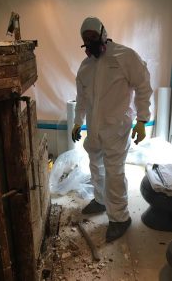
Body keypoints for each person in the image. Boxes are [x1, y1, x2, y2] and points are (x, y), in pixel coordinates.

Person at [72, 17, 152, 242]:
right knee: (95, 164)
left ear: (103, 34)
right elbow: (81, 98)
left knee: (114, 172)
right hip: (95, 127)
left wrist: (142, 120)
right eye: (86, 40)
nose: (90, 43)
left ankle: (120, 218)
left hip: (117, 127)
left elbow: (143, 86)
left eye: (93, 37)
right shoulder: (86, 66)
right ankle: (100, 199)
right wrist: (78, 121)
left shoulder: (125, 56)